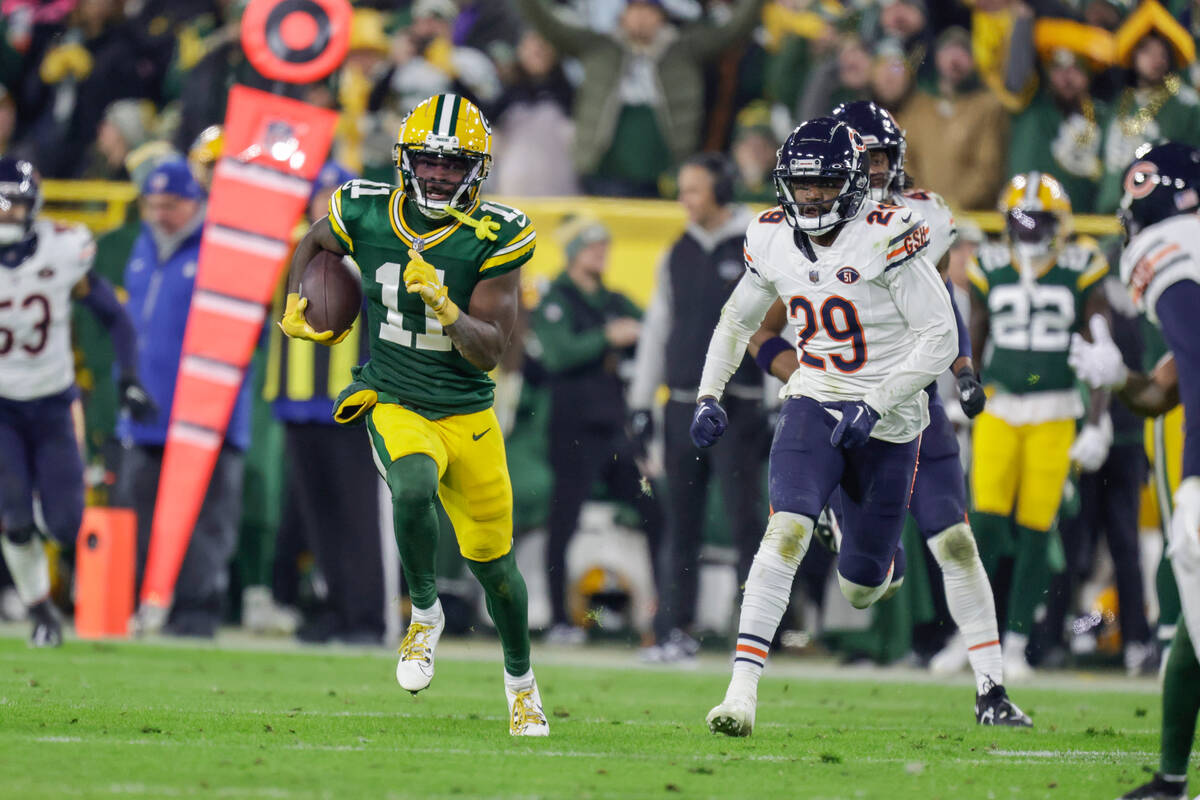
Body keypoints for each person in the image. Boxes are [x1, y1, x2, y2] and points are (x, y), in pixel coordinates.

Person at [746, 102, 1027, 723]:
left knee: (956, 540)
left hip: (912, 406)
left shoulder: (920, 217)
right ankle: (855, 538)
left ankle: (993, 689)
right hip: (842, 410)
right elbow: (763, 329)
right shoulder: (803, 228)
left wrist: (962, 373)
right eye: (862, 157)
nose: (872, 169)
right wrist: (811, 384)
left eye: (879, 157)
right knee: (863, 583)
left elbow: (942, 306)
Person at [278, 93, 548, 736]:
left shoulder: (497, 232)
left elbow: (491, 351)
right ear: (406, 160)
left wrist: (451, 312)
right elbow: (313, 242)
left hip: (466, 412)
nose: (436, 176)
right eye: (427, 162)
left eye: (452, 167)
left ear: (477, 172)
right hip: (394, 395)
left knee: (497, 572)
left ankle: (522, 681)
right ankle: (424, 615)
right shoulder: (365, 208)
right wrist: (298, 300)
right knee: (413, 483)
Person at [697, 117, 958, 736]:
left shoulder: (887, 235)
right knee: (783, 531)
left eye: (824, 185)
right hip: (814, 395)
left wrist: (879, 401)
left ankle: (861, 543)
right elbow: (738, 322)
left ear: (851, 182)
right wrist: (709, 394)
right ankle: (740, 694)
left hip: (892, 417)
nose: (811, 197)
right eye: (802, 184)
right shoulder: (771, 237)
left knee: (864, 586)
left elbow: (941, 337)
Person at [1069, 142, 1200, 800]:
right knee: (1195, 633)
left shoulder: (1173, 246)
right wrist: (1121, 378)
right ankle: (1172, 780)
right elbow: (1164, 390)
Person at [0, 156, 153, 646]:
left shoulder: (62, 247)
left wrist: (128, 375)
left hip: (52, 402)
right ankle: (41, 611)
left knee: (65, 525)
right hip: (2, 406)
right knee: (16, 520)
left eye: (14, 204)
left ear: (33, 205)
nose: (6, 213)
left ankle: (42, 564)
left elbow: (114, 315)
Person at [966, 171, 1111, 680]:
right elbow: (974, 338)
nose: (1028, 231)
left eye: (1039, 220)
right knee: (981, 522)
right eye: (1020, 220)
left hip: (1055, 408)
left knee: (1035, 527)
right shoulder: (987, 265)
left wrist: (1099, 421)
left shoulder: (1082, 264)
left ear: (1060, 224)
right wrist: (963, 393)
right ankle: (972, 639)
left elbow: (1101, 353)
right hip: (1001, 407)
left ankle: (1018, 640)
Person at [628, 152, 765, 663]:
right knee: (678, 523)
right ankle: (673, 630)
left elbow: (785, 319)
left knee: (745, 522)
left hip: (741, 401)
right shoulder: (677, 251)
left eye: (695, 190)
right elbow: (657, 328)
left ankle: (754, 634)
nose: (685, 200)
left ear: (723, 190)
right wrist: (641, 402)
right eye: (682, 190)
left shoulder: (758, 241)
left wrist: (778, 397)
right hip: (683, 403)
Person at [117, 158, 251, 638]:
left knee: (205, 520)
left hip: (206, 414)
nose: (158, 213)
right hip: (148, 409)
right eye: (151, 204)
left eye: (168, 204)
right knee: (141, 511)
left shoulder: (222, 246)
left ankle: (196, 613)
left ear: (193, 201)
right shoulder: (142, 244)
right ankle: (145, 607)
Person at [264, 161, 384, 644]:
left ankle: (367, 617)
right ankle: (335, 606)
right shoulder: (286, 243)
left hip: (351, 399)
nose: (328, 203)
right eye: (322, 193)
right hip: (296, 400)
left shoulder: (374, 249)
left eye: (338, 194)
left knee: (357, 514)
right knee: (316, 516)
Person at [531, 215, 663, 645]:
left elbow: (654, 330)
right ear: (572, 252)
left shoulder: (615, 299)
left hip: (614, 425)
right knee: (563, 521)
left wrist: (637, 333)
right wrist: (607, 337)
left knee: (655, 510)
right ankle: (557, 619)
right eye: (591, 246)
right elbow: (558, 354)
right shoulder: (557, 299)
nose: (600, 253)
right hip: (572, 427)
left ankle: (665, 619)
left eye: (604, 246)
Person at [516, 0, 766, 197]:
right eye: (634, 8)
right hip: (600, 171)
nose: (640, 17)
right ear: (622, 14)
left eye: (649, 10)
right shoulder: (599, 47)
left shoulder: (684, 50)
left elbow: (735, 29)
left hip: (666, 175)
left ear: (662, 17)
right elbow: (547, 23)